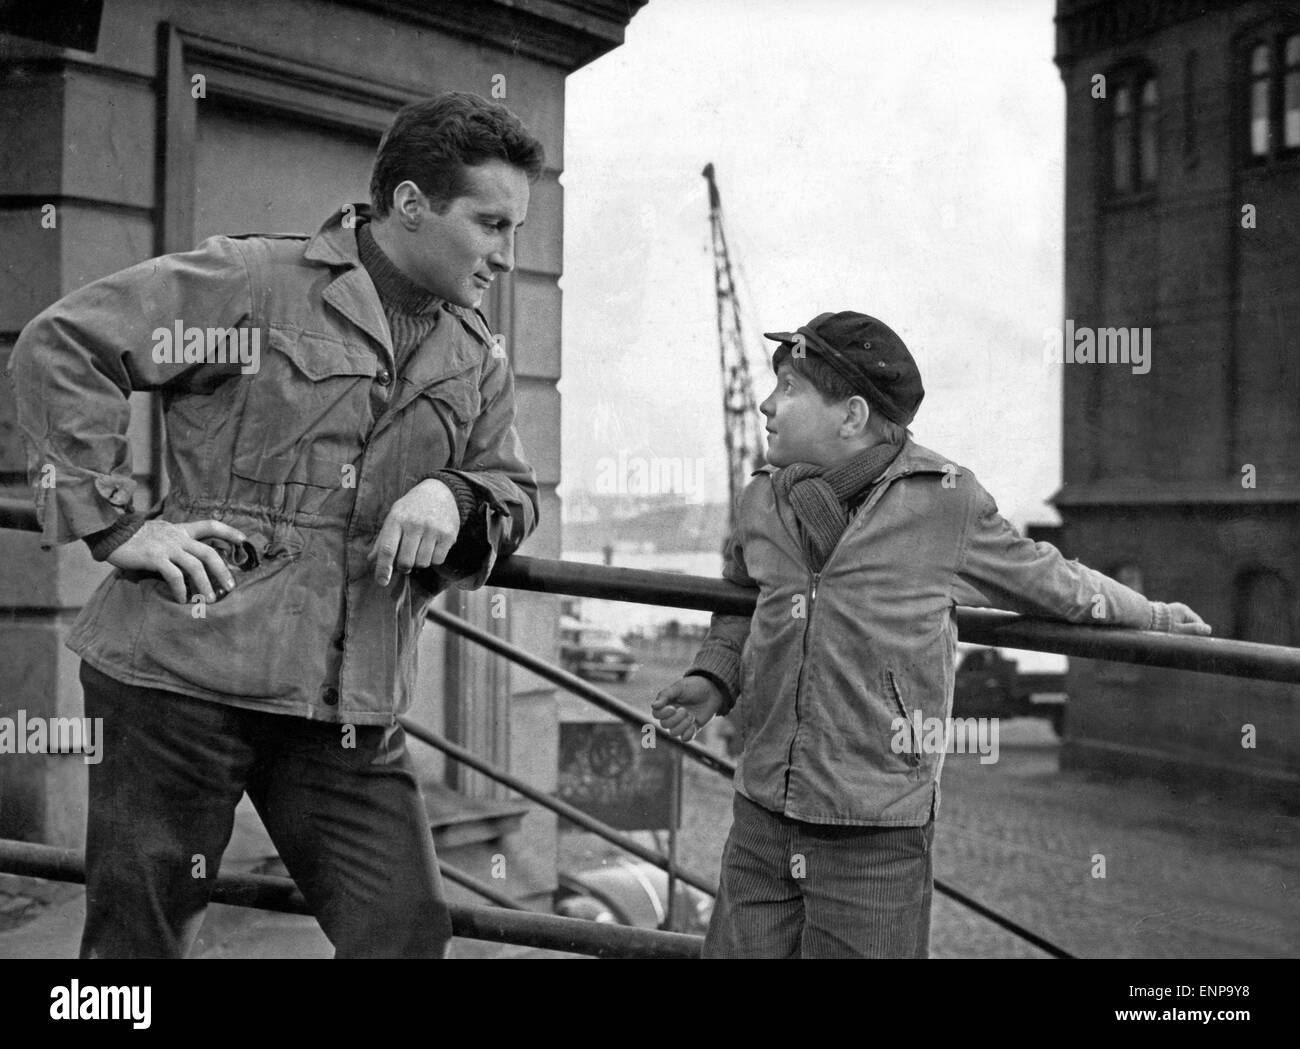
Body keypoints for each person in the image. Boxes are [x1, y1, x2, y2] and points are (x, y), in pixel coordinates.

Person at [7, 92, 543, 958]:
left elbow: (512, 491)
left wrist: (457, 494)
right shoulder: (253, 283)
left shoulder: (475, 355)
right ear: (411, 204)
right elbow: (64, 345)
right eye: (491, 225)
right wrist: (113, 526)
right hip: (179, 683)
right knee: (135, 950)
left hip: (342, 711)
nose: (507, 257)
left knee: (403, 932)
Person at [650, 311, 1210, 958]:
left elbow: (1053, 582)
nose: (766, 404)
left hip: (874, 830)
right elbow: (741, 596)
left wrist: (1154, 617)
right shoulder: (762, 501)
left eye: (790, 389)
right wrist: (712, 677)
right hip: (761, 814)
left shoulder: (946, 502)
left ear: (851, 415)